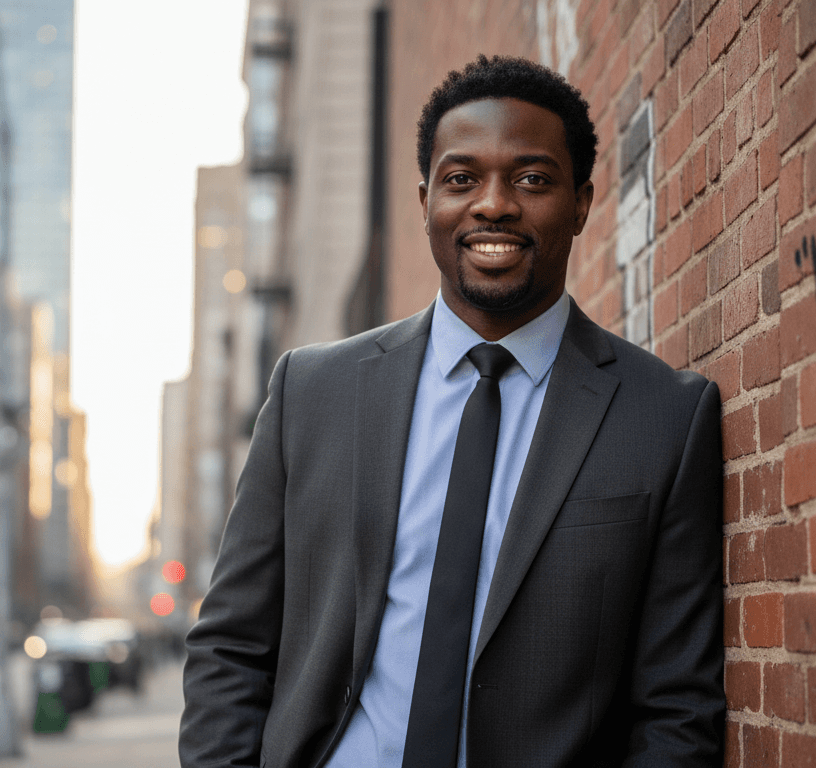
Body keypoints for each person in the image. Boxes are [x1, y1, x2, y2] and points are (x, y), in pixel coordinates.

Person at [180, 55, 724, 767]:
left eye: (532, 180)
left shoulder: (664, 418)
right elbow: (231, 646)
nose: (493, 205)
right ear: (425, 200)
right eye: (461, 179)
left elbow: (678, 708)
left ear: (582, 202)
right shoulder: (312, 393)